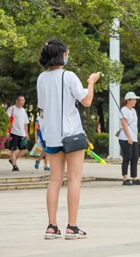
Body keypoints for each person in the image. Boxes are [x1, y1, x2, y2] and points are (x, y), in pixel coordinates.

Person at [37, 39, 100, 240]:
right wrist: (91, 82)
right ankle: (72, 227)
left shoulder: (42, 78)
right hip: (72, 133)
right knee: (74, 179)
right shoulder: (69, 76)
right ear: (62, 55)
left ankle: (51, 226)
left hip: (52, 135)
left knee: (54, 180)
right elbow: (87, 101)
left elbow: (43, 108)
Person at [118, 92, 140, 186]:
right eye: (133, 100)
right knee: (127, 157)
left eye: (135, 100)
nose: (135, 101)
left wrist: (133, 137)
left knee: (135, 157)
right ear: (127, 100)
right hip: (125, 138)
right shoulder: (123, 110)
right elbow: (124, 124)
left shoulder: (133, 111)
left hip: (134, 138)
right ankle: (125, 177)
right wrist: (129, 137)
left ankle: (135, 177)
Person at [6, 95, 30, 171]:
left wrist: (27, 133)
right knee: (13, 149)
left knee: (25, 149)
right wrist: (7, 131)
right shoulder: (11, 109)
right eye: (21, 100)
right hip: (14, 132)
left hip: (22, 133)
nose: (22, 102)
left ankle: (13, 160)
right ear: (16, 101)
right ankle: (14, 165)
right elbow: (7, 120)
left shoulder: (23, 110)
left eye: (23, 100)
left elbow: (26, 123)